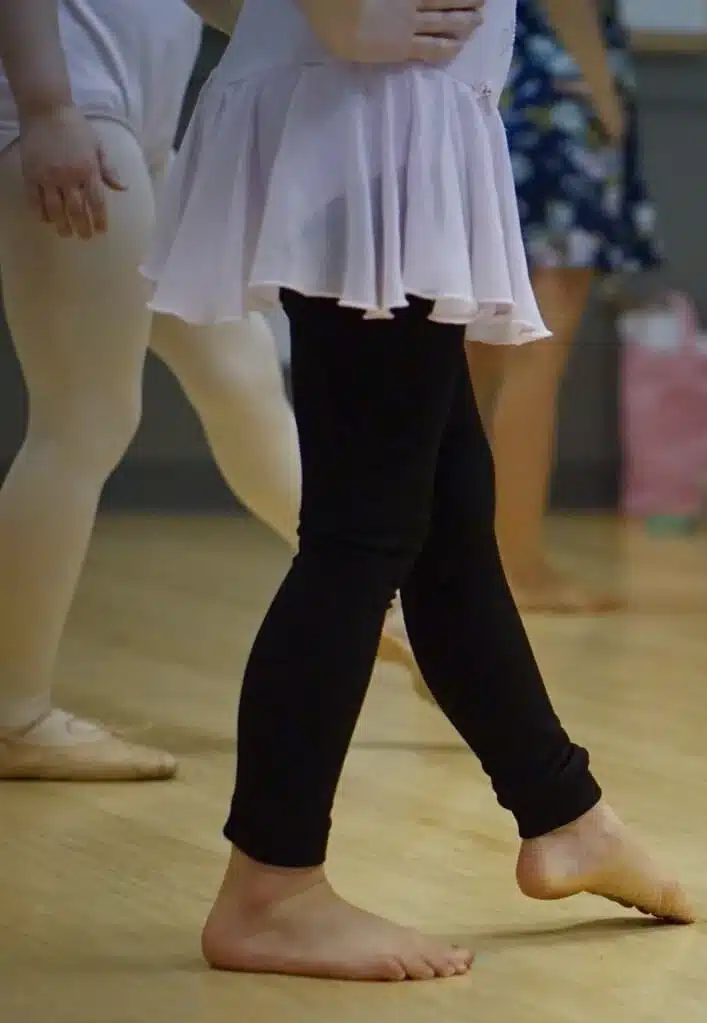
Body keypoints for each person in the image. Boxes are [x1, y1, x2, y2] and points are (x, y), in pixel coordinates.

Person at [140, 0, 692, 982]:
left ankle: (564, 812)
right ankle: (270, 885)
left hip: (391, 112)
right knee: (363, 531)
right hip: (373, 118)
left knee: (442, 511)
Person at [0, 0, 428, 783]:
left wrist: (352, 38)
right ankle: (11, 713)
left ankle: (387, 607)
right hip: (73, 116)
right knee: (84, 417)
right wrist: (46, 107)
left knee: (240, 372)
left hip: (130, 127)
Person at [464, 0, 663, 614]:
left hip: (494, 88)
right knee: (534, 351)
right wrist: (604, 95)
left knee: (482, 347)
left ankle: (457, 557)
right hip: (557, 98)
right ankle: (516, 565)